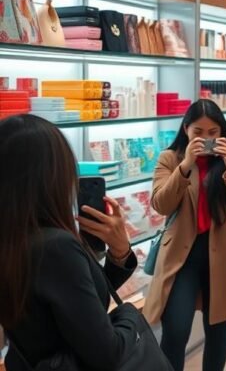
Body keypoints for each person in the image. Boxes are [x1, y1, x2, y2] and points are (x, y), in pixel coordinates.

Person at [0, 115, 145, 369]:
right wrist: (131, 314)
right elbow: (107, 353)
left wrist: (119, 253)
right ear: (50, 176)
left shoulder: (16, 236)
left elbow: (69, 303)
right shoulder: (55, 247)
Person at [149, 99, 226, 371]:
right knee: (175, 330)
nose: (206, 139)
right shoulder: (170, 158)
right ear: (186, 129)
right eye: (198, 132)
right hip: (180, 258)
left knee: (217, 328)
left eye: (213, 133)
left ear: (222, 131)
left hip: (221, 255)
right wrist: (186, 165)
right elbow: (160, 204)